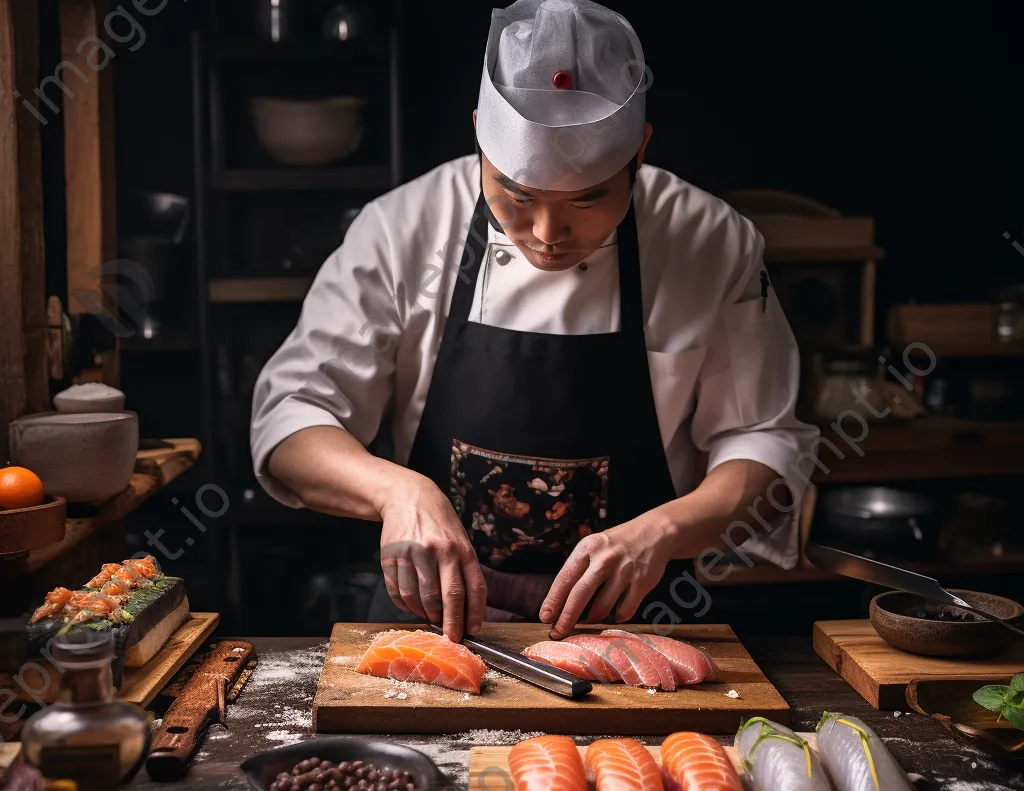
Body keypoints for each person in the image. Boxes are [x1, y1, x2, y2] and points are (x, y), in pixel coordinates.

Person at [250, 0, 818, 642]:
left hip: (638, 623)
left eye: (589, 198)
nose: (547, 236)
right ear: (478, 137)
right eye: (516, 197)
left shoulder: (710, 240)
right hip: (438, 625)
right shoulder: (402, 229)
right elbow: (290, 420)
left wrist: (662, 530)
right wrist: (394, 491)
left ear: (640, 151)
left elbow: (764, 442)